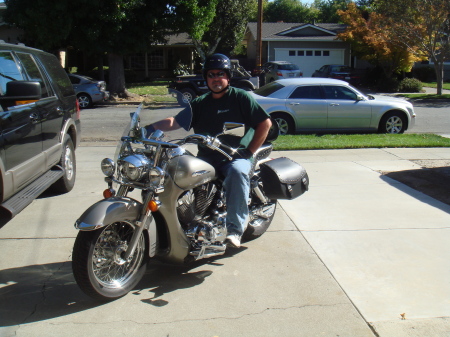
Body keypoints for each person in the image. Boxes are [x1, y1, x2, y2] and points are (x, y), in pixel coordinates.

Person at [147, 53, 272, 248]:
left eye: (220, 74)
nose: (216, 78)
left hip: (234, 156)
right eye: (211, 74)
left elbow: (265, 123)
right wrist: (149, 128)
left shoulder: (240, 97)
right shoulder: (200, 103)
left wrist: (248, 152)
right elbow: (175, 121)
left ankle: (235, 230)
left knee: (238, 172)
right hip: (207, 157)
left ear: (228, 77)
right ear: (206, 78)